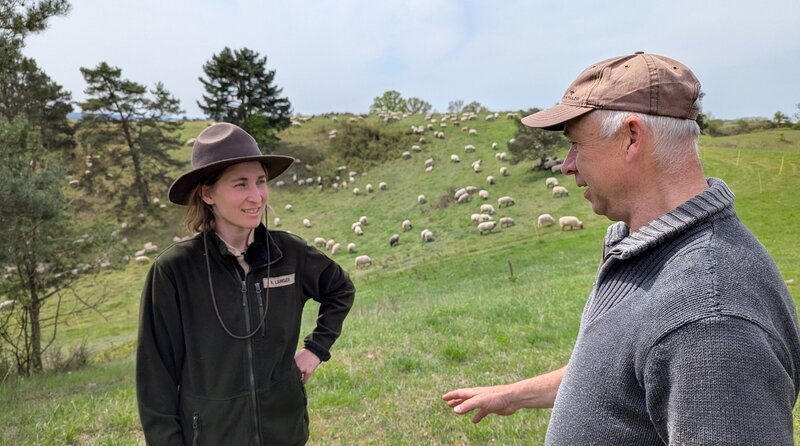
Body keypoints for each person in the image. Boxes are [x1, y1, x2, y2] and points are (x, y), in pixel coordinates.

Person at [443, 52, 800, 444]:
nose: (566, 165)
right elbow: (623, 370)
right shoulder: (652, 255)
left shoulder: (708, 315)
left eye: (577, 144)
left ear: (631, 137)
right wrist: (516, 394)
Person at [136, 122, 355, 445]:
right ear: (207, 193)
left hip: (285, 432)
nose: (257, 196)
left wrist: (315, 349)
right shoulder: (174, 272)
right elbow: (156, 378)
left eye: (261, 181)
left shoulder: (289, 254)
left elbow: (340, 290)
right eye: (241, 184)